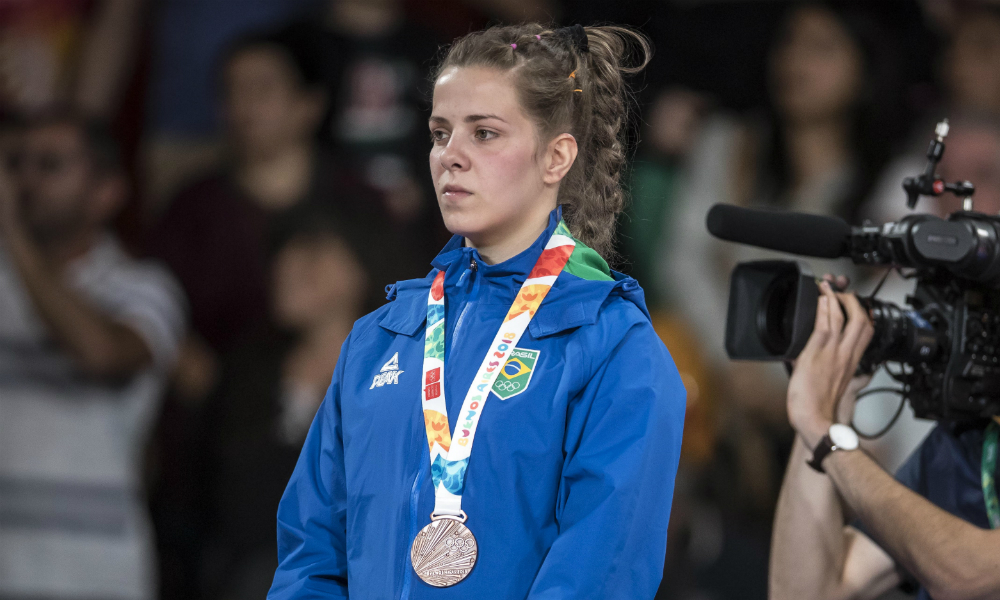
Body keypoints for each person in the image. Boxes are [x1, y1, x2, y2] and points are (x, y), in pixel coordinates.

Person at [267, 24, 687, 599]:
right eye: (440, 134)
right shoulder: (381, 337)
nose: (450, 157)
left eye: (484, 133)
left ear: (556, 157)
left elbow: (601, 573)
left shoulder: (613, 344)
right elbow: (311, 550)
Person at [0, 113, 185, 600]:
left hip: (94, 576)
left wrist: (13, 233)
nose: (24, 181)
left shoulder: (143, 287)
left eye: (49, 165)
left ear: (107, 192)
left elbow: (102, 353)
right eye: (15, 163)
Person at [771, 276, 1000, 600]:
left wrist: (823, 433)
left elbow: (965, 574)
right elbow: (803, 592)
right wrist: (831, 402)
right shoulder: (971, 442)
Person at [202, 207, 371, 600]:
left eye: (311, 252)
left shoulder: (405, 378)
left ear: (362, 267)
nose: (286, 266)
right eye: (281, 253)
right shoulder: (245, 376)